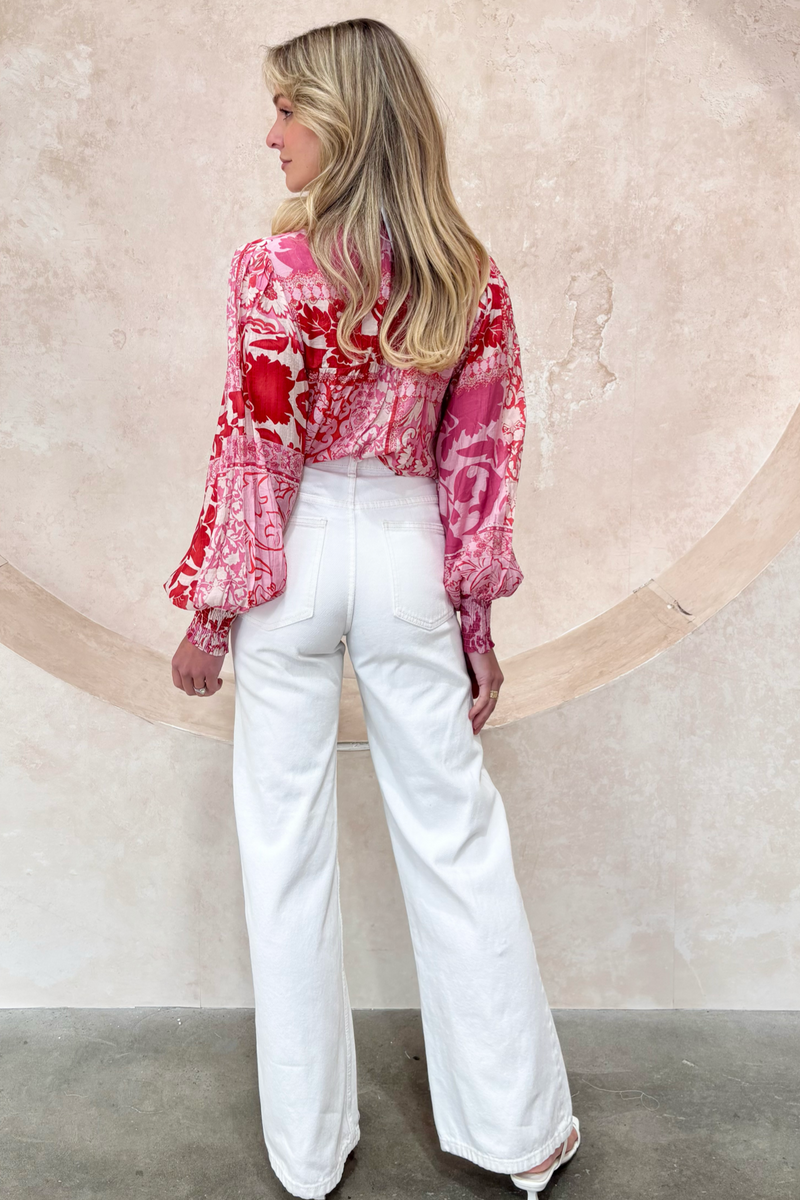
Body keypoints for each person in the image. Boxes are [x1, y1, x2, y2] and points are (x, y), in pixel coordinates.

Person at [164, 17, 579, 1200]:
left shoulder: (271, 270)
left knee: (282, 847)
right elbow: (479, 461)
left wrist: (212, 613)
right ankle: (518, 1136)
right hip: (406, 554)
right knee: (455, 838)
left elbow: (254, 448)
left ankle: (307, 1153)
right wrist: (475, 628)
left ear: (341, 124)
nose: (271, 133)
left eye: (288, 108)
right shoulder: (466, 274)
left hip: (292, 562)